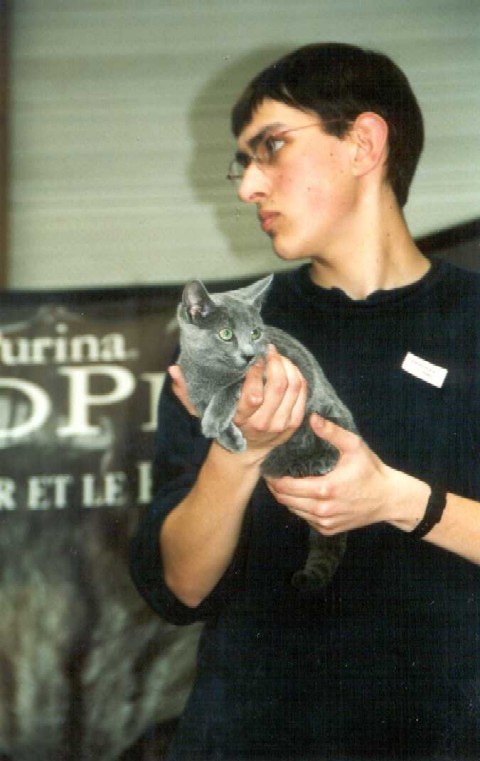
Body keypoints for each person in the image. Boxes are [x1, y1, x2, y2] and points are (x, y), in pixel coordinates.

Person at [130, 42, 480, 760]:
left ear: (363, 143)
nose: (248, 188)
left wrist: (399, 500)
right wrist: (242, 451)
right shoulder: (229, 337)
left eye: (272, 147)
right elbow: (180, 588)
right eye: (243, 162)